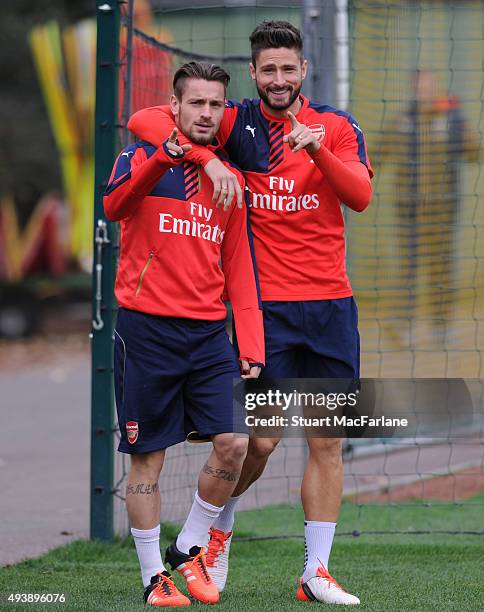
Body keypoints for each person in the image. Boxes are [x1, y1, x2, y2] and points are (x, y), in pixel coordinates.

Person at [128, 21, 373, 605]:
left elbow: (360, 195)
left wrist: (316, 148)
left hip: (331, 308)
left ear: (303, 72)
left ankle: (316, 572)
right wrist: (204, 159)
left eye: (289, 68)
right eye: (269, 69)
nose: (279, 79)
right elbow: (145, 121)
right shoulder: (236, 123)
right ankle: (213, 533)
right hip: (266, 311)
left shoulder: (336, 127)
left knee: (327, 442)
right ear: (255, 73)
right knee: (258, 444)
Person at [104, 61, 264, 607]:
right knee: (148, 458)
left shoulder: (231, 179)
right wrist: (168, 159)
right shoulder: (139, 156)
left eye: (215, 104)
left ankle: (189, 544)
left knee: (235, 443)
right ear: (174, 107)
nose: (206, 113)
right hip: (145, 331)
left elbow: (240, 271)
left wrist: (252, 346)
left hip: (208, 338)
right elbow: (114, 207)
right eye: (196, 102)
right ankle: (155, 578)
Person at [378, 69, 480, 343]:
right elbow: (376, 155)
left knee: (441, 267)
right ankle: (402, 324)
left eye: (429, 85)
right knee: (407, 266)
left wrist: (461, 124)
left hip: (443, 209)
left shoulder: (451, 119)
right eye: (420, 85)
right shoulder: (401, 121)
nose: (425, 90)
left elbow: (474, 153)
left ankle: (441, 325)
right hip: (408, 207)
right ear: (413, 89)